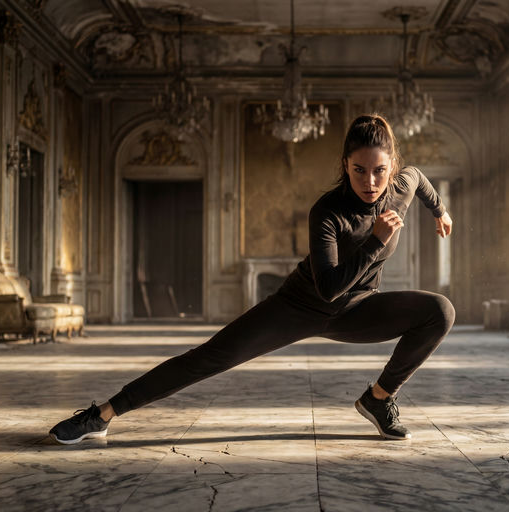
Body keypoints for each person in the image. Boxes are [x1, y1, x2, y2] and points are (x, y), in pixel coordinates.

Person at [49, 113, 455, 444]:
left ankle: (378, 399)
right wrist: (375, 242)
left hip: (359, 309)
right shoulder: (327, 212)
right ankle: (102, 414)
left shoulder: (401, 184)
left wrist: (439, 211)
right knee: (208, 358)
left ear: (392, 168)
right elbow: (329, 288)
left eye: (379, 171)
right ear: (344, 166)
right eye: (358, 170)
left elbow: (418, 178)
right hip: (301, 305)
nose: (370, 182)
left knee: (440, 311)